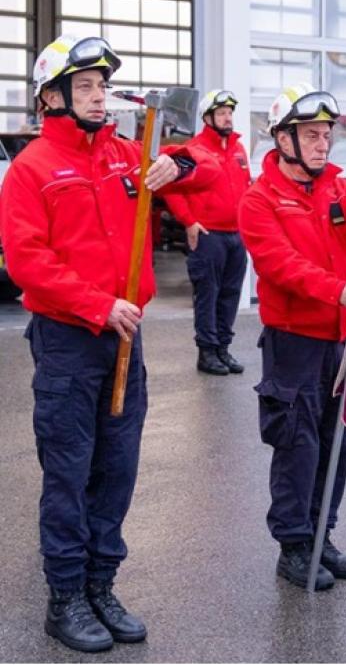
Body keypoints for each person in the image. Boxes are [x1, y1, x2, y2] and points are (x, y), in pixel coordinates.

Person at [0, 35, 217, 652]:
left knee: (116, 470)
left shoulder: (129, 156)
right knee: (69, 473)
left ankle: (101, 584)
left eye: (102, 87)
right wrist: (98, 304)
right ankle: (65, 597)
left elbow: (216, 172)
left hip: (127, 341)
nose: (99, 98)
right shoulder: (32, 169)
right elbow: (26, 262)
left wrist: (184, 166)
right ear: (53, 97)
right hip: (70, 341)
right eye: (86, 87)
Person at [238, 83, 346, 590]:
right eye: (311, 135)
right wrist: (338, 291)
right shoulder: (259, 199)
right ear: (283, 139)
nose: (322, 144)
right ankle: (294, 546)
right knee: (297, 444)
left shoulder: (338, 186)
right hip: (294, 341)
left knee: (337, 443)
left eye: (327, 135)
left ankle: (322, 536)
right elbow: (279, 266)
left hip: (342, 338)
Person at [164, 89, 252, 375]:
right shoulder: (193, 151)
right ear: (207, 117)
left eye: (230, 113)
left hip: (236, 235)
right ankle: (207, 352)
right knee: (208, 295)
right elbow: (169, 188)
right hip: (208, 236)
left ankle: (223, 349)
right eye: (222, 113)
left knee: (230, 294)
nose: (228, 118)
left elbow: (247, 188)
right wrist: (189, 221)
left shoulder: (238, 149)